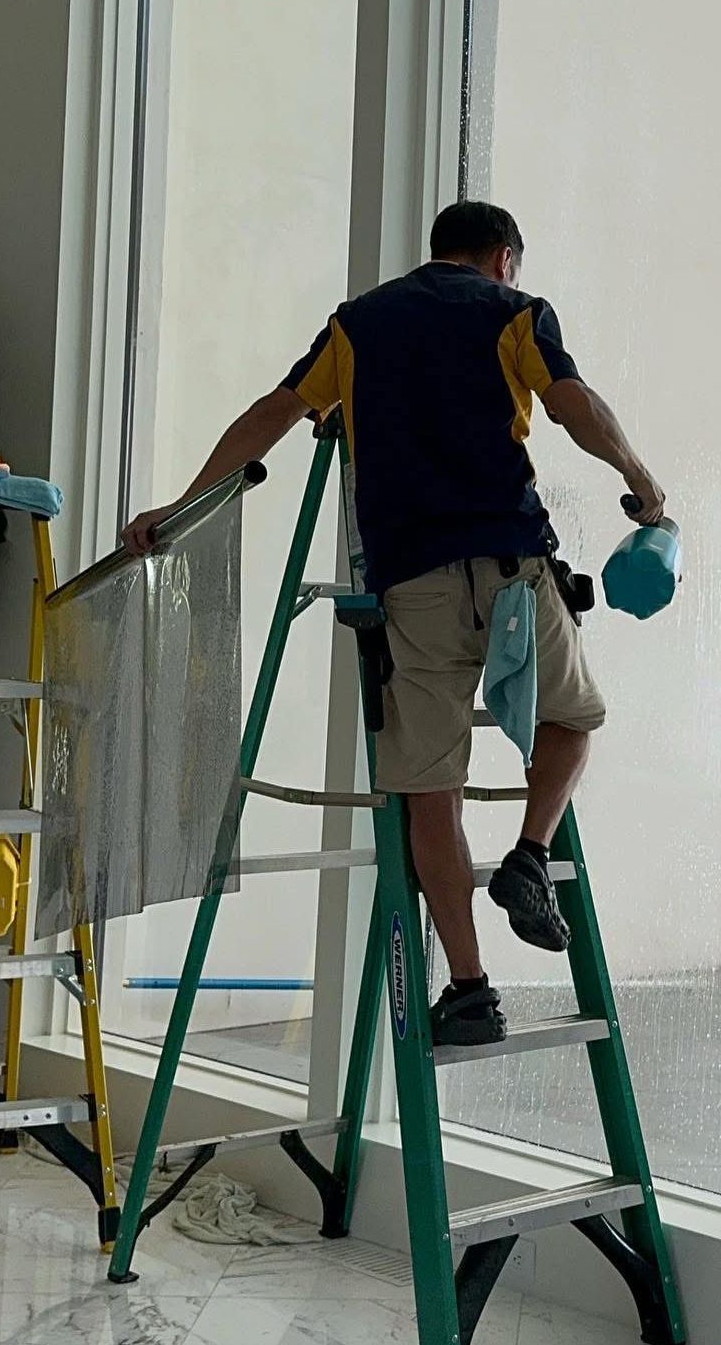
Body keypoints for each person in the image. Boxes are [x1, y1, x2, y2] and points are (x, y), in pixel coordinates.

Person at [121, 201, 665, 1049]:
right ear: (502, 259)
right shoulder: (515, 313)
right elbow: (569, 404)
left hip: (412, 583)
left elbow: (272, 412)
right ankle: (529, 853)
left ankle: (471, 989)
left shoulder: (358, 326)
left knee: (428, 788)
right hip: (513, 566)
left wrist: (182, 504)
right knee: (573, 717)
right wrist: (640, 477)